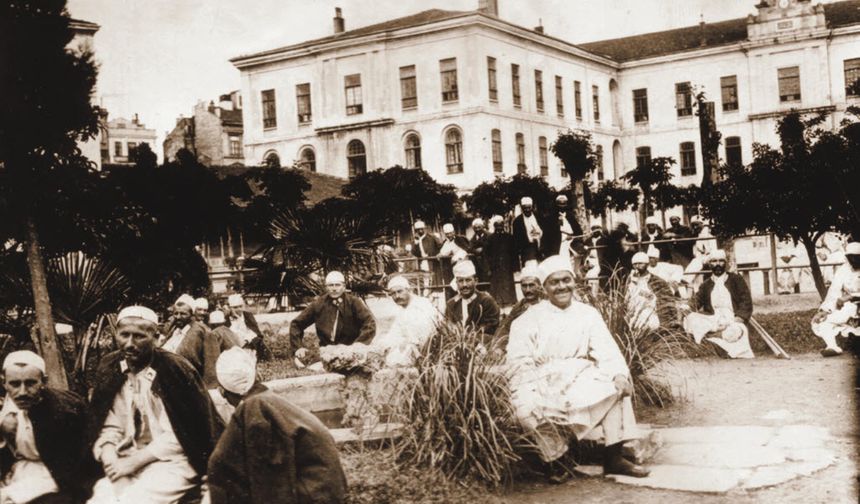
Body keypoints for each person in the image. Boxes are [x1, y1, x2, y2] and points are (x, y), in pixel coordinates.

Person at [506, 255, 650, 480]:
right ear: (544, 287)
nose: (562, 286)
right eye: (554, 282)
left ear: (574, 282)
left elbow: (606, 349)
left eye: (566, 280)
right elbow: (518, 361)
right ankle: (558, 460)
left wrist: (619, 374)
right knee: (525, 404)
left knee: (616, 386)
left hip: (579, 374)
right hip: (542, 378)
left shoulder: (588, 314)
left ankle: (613, 457)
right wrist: (530, 384)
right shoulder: (527, 320)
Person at [88, 306, 223, 504]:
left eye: (139, 336)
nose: (129, 344)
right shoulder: (110, 367)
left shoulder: (174, 369)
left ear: (156, 337)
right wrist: (110, 458)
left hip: (172, 462)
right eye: (124, 335)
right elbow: (108, 424)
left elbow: (181, 434)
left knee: (133, 500)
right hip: (124, 456)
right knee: (101, 498)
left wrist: (134, 463)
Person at [206, 348, 347, 504]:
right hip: (324, 488)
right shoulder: (266, 401)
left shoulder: (255, 409)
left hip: (315, 494)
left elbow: (269, 479)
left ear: (225, 391)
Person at [0, 351, 91, 504]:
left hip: (50, 476)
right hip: (13, 471)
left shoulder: (66, 412)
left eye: (30, 383)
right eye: (14, 384)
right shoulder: (4, 408)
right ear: (4, 383)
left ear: (44, 381)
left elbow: (73, 468)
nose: (22, 392)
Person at [289, 271, 376, 364]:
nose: (334, 289)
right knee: (306, 360)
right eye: (331, 285)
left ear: (344, 286)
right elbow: (296, 324)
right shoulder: (318, 304)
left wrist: (359, 344)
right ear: (326, 287)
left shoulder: (354, 302)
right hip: (327, 350)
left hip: (350, 348)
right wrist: (298, 347)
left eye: (337, 285)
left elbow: (369, 323)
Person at [683, 250, 755, 359]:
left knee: (734, 332)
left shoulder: (736, 280)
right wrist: (687, 307)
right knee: (690, 319)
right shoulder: (706, 284)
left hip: (732, 319)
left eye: (721, 261)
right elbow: (696, 301)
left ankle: (712, 339)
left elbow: (746, 301)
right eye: (714, 261)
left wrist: (739, 318)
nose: (717, 264)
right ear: (709, 264)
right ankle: (714, 340)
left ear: (725, 263)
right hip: (714, 320)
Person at [372, 276, 440, 367]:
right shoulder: (402, 310)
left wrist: (403, 345)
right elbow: (394, 332)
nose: (397, 296)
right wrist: (382, 346)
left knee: (394, 361)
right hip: (409, 347)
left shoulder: (422, 305)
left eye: (400, 291)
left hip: (425, 351)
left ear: (409, 290)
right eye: (393, 294)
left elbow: (426, 334)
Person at [811, 242, 860, 357]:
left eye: (856, 257)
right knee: (824, 321)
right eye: (850, 257)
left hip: (853, 302)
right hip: (850, 307)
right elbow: (834, 292)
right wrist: (825, 310)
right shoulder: (844, 270)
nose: (853, 260)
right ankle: (832, 346)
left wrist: (852, 296)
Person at [444, 260, 501, 340]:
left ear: (476, 281)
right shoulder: (451, 304)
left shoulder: (486, 301)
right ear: (456, 282)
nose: (464, 285)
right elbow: (448, 328)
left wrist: (464, 333)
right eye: (460, 281)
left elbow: (490, 328)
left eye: (468, 280)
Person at [627, 252, 678, 331]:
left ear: (647, 264)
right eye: (635, 264)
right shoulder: (630, 280)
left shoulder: (657, 281)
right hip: (633, 313)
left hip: (651, 314)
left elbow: (667, 300)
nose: (637, 266)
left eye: (640, 263)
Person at [495, 264, 543, 344]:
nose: (528, 290)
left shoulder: (548, 303)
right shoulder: (520, 306)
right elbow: (504, 327)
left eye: (531, 285)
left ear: (540, 286)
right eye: (524, 286)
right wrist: (498, 345)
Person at [224, 294, 271, 361]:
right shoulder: (226, 319)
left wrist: (246, 340)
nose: (238, 309)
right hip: (234, 344)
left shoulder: (248, 316)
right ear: (230, 308)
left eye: (240, 306)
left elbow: (256, 332)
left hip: (249, 343)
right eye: (235, 307)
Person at [484, 216, 518, 307]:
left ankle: (509, 301)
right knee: (496, 284)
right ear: (494, 227)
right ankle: (497, 302)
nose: (499, 228)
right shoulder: (490, 238)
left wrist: (516, 267)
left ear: (503, 226)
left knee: (508, 283)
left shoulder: (509, 237)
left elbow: (514, 252)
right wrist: (488, 268)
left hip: (507, 265)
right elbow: (486, 254)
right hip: (495, 266)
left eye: (501, 226)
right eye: (497, 226)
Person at [542, 194, 582, 258]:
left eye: (564, 204)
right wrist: (564, 237)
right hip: (558, 246)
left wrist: (573, 237)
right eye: (560, 204)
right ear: (556, 205)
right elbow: (548, 235)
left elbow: (578, 231)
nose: (562, 206)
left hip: (571, 245)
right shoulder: (551, 218)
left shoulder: (570, 216)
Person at [411, 220, 443, 293]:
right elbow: (415, 253)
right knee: (424, 278)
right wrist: (416, 244)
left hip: (431, 261)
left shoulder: (431, 237)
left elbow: (440, 246)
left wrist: (438, 253)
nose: (421, 231)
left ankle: (434, 291)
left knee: (433, 278)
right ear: (416, 231)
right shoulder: (415, 240)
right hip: (422, 262)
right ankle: (425, 291)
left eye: (422, 229)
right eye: (418, 230)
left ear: (425, 229)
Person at [512, 197, 543, 267]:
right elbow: (516, 240)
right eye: (525, 208)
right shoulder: (517, 222)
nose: (527, 210)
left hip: (540, 249)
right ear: (522, 208)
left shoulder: (539, 217)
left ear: (532, 207)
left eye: (529, 207)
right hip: (527, 251)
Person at [468, 218, 491, 283]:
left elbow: (490, 246)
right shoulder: (474, 237)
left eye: (479, 227)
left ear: (482, 226)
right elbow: (469, 248)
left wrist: (483, 249)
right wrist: (476, 251)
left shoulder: (489, 235)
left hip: (488, 264)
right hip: (478, 265)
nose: (477, 229)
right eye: (475, 228)